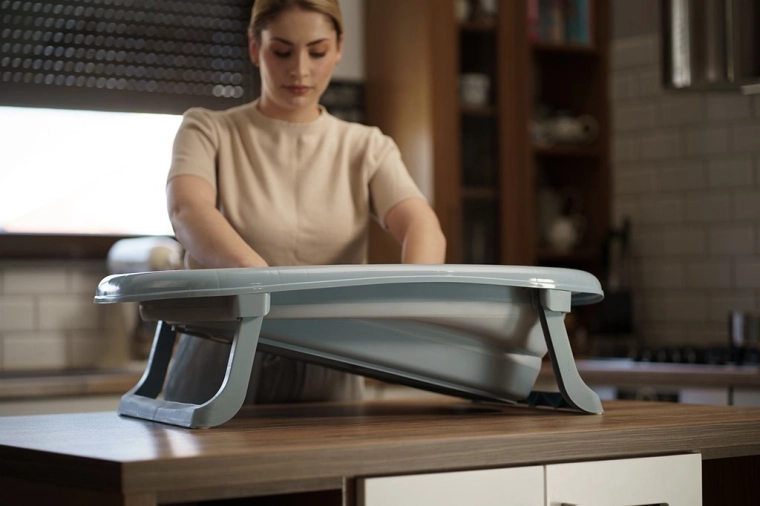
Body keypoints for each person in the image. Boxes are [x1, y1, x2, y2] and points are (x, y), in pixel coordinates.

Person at [162, 0, 446, 405]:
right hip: (221, 354)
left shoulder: (367, 146)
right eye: (282, 51)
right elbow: (187, 210)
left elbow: (422, 225)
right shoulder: (208, 129)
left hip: (329, 362)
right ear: (254, 48)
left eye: (317, 52)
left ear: (339, 48)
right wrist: (261, 285)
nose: (300, 69)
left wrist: (409, 304)